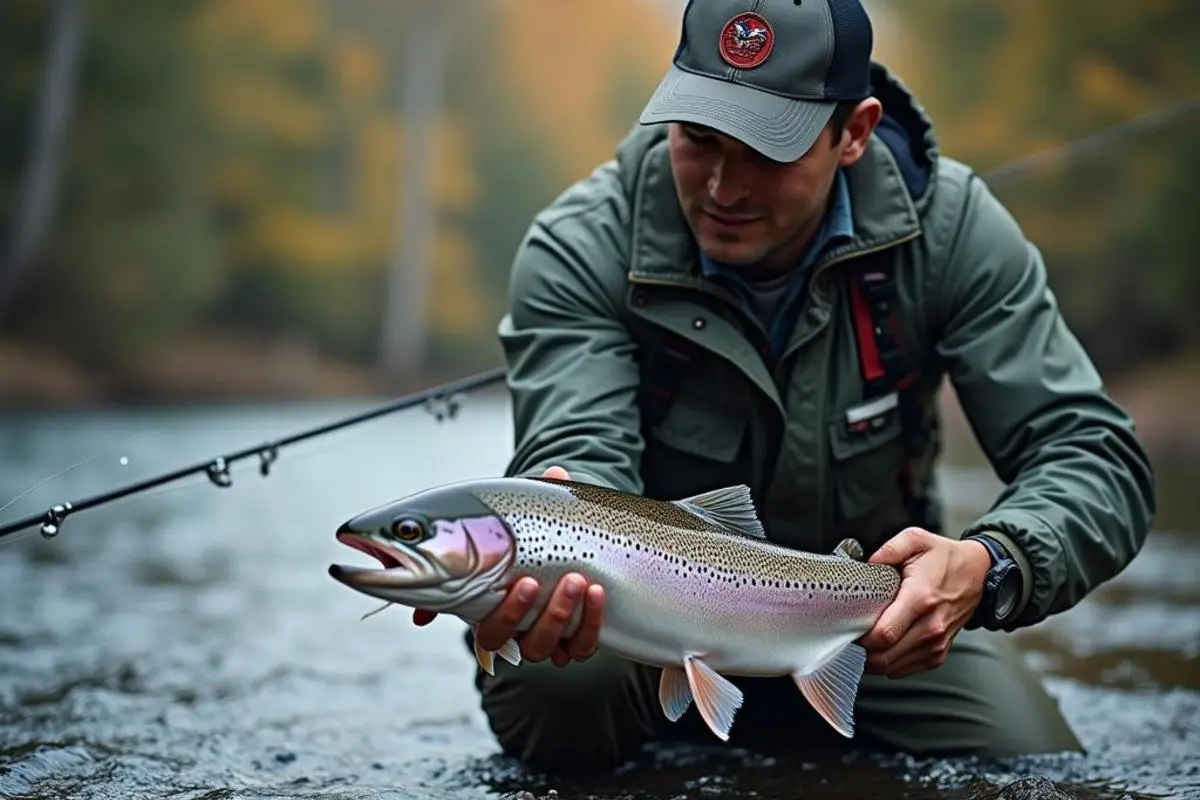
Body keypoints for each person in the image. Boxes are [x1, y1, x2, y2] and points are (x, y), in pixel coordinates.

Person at [413, 0, 1156, 774]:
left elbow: (1093, 454)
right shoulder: (581, 247)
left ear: (855, 133)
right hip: (645, 630)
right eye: (698, 139)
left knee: (1033, 769)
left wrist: (993, 563)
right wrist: (539, 553)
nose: (723, 187)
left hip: (871, 630)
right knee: (559, 683)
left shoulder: (953, 232)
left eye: (769, 150)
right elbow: (581, 464)